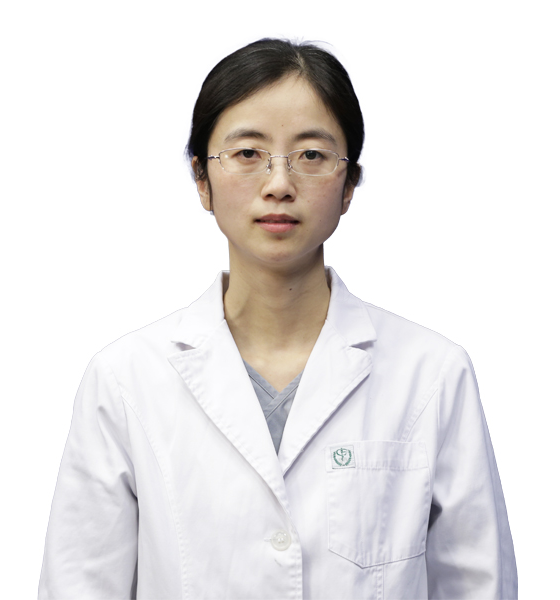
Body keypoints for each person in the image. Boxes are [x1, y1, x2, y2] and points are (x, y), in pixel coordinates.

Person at [38, 38, 517, 599]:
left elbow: (479, 585)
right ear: (201, 179)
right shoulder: (125, 380)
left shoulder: (432, 374)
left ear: (349, 185)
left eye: (311, 155)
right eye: (248, 153)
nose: (279, 184)